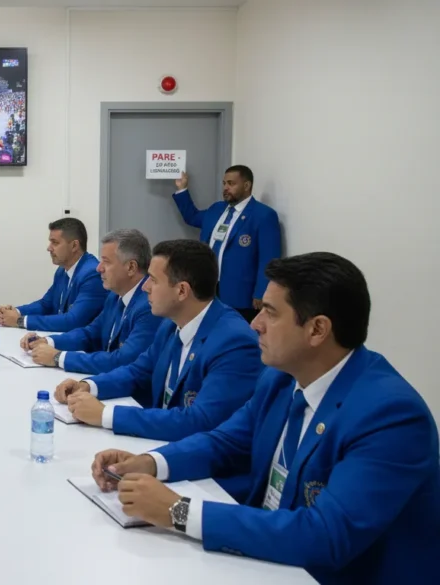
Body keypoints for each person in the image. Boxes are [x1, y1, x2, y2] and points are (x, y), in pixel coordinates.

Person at [90, 252, 440, 585]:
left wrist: (179, 512)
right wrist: (150, 463)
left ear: (317, 330)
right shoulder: (283, 377)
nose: (255, 323)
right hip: (268, 557)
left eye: (270, 313)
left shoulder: (391, 416)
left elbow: (327, 535)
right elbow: (226, 441)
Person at [53, 240, 262, 444]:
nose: (145, 287)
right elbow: (138, 371)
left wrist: (107, 415)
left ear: (181, 291)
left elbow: (199, 421)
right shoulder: (171, 323)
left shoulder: (234, 343)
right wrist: (88, 386)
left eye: (153, 279)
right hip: (159, 441)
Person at [22, 229, 163, 375]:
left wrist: (59, 358)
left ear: (131, 267)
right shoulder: (115, 296)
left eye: (106, 262)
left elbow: (122, 360)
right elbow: (90, 333)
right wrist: (48, 341)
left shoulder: (149, 306)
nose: (99, 268)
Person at [171, 166, 281, 322]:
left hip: (240, 294)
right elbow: (192, 217)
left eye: (231, 183)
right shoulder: (217, 209)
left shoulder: (263, 215)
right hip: (209, 289)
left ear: (246, 185)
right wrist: (182, 189)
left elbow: (269, 258)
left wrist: (262, 291)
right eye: (224, 183)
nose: (226, 188)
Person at [0, 217, 107, 332]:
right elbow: (46, 305)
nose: (49, 248)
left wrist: (20, 320)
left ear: (74, 246)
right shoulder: (62, 270)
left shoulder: (92, 274)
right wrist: (14, 312)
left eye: (55, 242)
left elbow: (73, 321)